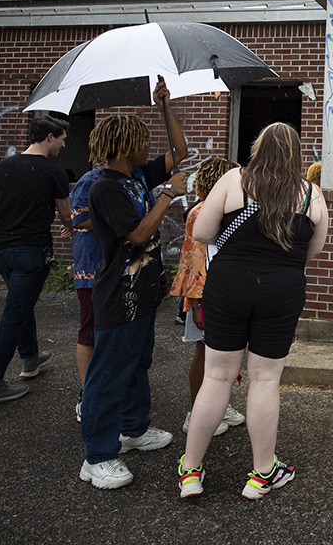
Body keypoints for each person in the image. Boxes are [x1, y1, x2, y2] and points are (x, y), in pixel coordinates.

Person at [177, 122, 329, 500]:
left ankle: (191, 471)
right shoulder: (312, 194)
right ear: (295, 153)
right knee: (264, 380)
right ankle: (262, 474)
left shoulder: (233, 180)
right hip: (282, 290)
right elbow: (313, 251)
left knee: (217, 377)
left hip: (229, 285)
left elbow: (202, 231)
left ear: (258, 148)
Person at [79, 80, 188, 490]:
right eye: (142, 141)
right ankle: (98, 455)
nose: (147, 147)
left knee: (137, 364)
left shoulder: (135, 175)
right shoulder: (104, 186)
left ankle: (133, 429)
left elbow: (180, 153)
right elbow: (138, 235)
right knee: (108, 374)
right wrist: (166, 196)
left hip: (142, 291)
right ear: (125, 146)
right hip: (117, 295)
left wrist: (167, 105)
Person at [0, 114, 73, 408]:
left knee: (19, 302)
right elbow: (66, 214)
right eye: (62, 138)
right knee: (14, 314)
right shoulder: (53, 171)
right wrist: (73, 227)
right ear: (49, 136)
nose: (64, 144)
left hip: (0, 252)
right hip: (31, 252)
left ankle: (30, 358)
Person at [169, 156, 244, 439]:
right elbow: (194, 260)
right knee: (203, 353)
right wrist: (198, 304)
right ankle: (195, 412)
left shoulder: (226, 211)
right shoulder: (201, 212)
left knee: (221, 356)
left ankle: (217, 405)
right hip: (205, 296)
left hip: (222, 293)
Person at [69, 163, 104, 421]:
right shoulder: (89, 180)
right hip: (92, 268)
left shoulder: (130, 179)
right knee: (89, 328)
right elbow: (79, 217)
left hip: (114, 268)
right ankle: (87, 394)